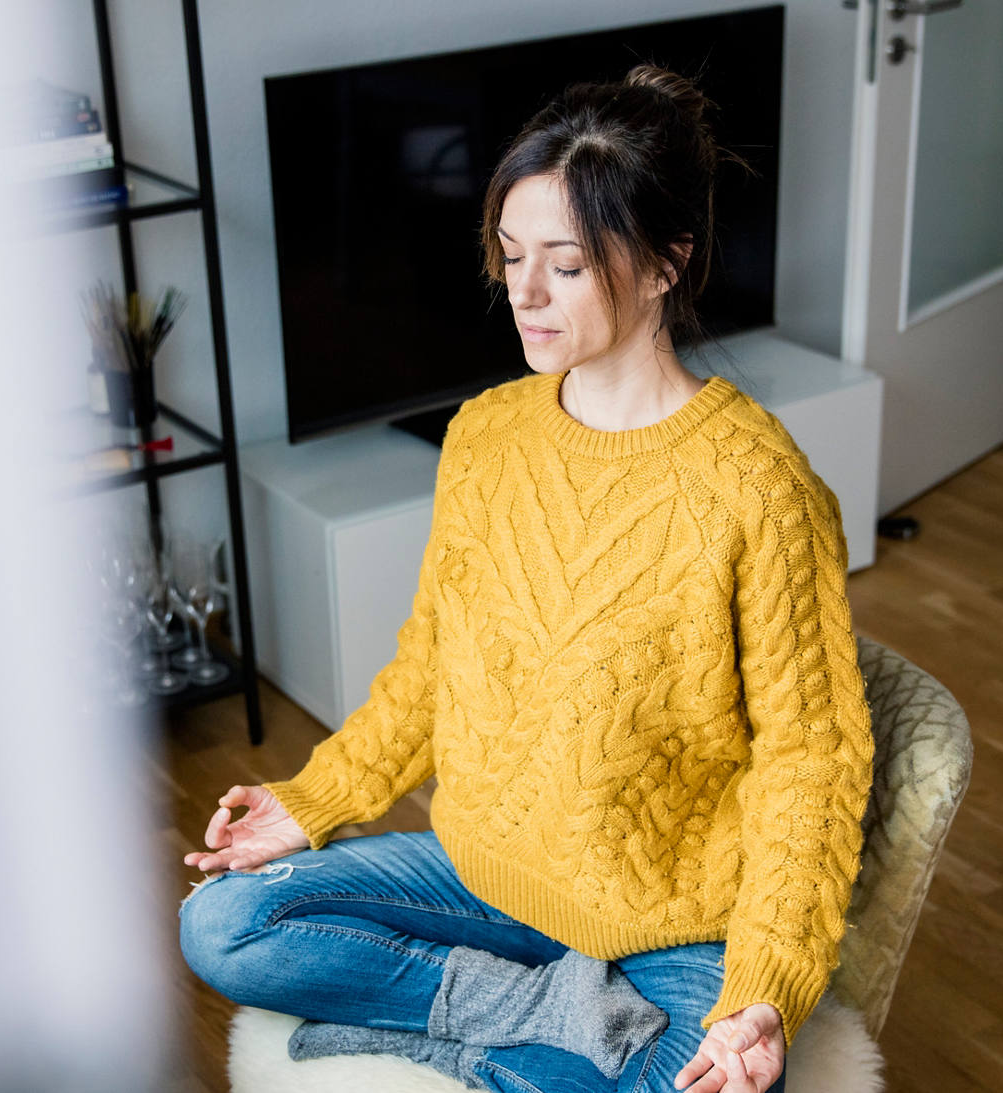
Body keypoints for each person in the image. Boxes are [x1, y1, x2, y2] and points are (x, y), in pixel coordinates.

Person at [177, 62, 874, 1093]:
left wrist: (764, 988)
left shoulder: (760, 491)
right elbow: (431, 667)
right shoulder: (486, 436)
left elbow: (809, 765)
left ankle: (465, 1037)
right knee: (226, 925)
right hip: (485, 881)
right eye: (509, 256)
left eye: (567, 265)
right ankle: (534, 1018)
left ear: (665, 262)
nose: (524, 293)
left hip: (670, 930)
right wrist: (314, 801)